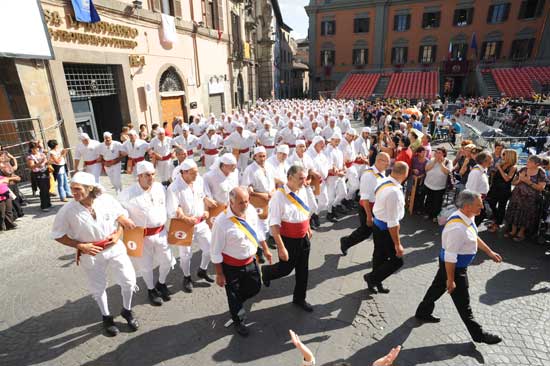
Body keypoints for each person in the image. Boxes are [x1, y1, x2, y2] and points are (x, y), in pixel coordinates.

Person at [51, 172, 139, 337]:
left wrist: (119, 232)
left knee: (129, 281)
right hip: (90, 254)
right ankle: (106, 317)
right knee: (98, 288)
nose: (73, 193)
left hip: (115, 247)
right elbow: (57, 235)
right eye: (71, 189)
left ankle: (127, 310)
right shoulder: (67, 211)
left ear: (90, 188)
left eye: (77, 189)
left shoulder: (106, 200)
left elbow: (119, 216)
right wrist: (80, 245)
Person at [415, 190, 503, 345]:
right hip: (454, 269)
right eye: (478, 205)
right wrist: (451, 279)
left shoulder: (468, 217)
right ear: (468, 206)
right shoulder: (456, 228)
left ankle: (422, 312)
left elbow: (473, 236)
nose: (481, 208)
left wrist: (489, 252)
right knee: (464, 304)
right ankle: (479, 334)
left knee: (436, 288)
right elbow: (450, 256)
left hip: (453, 267)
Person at [211, 187, 272, 337]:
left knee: (256, 287)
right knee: (233, 296)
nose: (245, 205)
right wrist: (219, 274)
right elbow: (215, 251)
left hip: (250, 261)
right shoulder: (221, 222)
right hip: (231, 267)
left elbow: (257, 231)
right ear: (231, 202)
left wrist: (265, 249)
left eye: (246, 201)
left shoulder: (250, 210)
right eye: (241, 203)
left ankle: (236, 302)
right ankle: (238, 320)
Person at [118, 161, 176, 306]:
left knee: (167, 261)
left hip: (161, 232)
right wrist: (124, 218)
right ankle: (151, 289)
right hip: (141, 235)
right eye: (147, 175)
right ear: (139, 176)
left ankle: (161, 283)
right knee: (146, 266)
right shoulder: (128, 193)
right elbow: (120, 210)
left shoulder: (160, 188)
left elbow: (170, 203)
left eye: (153, 174)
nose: (151, 178)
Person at [261, 165, 315, 312]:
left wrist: (308, 227)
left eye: (305, 178)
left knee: (303, 269)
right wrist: (281, 247)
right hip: (288, 239)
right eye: (301, 178)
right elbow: (274, 225)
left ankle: (299, 298)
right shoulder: (279, 196)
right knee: (285, 269)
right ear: (289, 178)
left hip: (303, 237)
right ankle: (266, 272)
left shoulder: (302, 190)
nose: (304, 182)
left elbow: (305, 211)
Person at [166, 159, 214, 293]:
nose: (196, 175)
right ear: (184, 172)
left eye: (197, 172)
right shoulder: (174, 188)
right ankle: (186, 277)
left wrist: (206, 210)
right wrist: (185, 218)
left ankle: (202, 270)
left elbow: (203, 197)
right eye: (193, 173)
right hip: (184, 226)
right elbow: (173, 210)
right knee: (186, 254)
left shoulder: (198, 180)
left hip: (201, 223)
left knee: (210, 248)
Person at [364, 162, 409, 294]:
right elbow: (392, 223)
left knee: (379, 256)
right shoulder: (394, 192)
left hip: (378, 225)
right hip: (385, 229)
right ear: (404, 174)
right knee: (397, 261)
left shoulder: (384, 180)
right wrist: (398, 244)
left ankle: (376, 282)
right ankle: (371, 278)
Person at [340, 153, 390, 257]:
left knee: (378, 233)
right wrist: (369, 216)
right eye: (386, 162)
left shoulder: (382, 171)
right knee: (365, 232)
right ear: (379, 161)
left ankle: (379, 256)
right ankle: (346, 242)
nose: (388, 164)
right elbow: (365, 198)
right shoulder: (368, 175)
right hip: (367, 208)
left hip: (378, 208)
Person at [505, 155, 547, 241]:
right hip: (517, 197)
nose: (527, 163)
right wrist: (520, 180)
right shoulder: (523, 169)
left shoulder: (541, 172)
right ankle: (513, 231)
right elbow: (513, 182)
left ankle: (521, 233)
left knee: (526, 215)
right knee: (515, 213)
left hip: (530, 199)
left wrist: (527, 181)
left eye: (530, 162)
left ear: (537, 164)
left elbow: (541, 188)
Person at [486, 149, 517, 233]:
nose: (502, 155)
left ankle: (497, 223)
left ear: (509, 156)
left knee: (501, 207)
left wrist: (499, 168)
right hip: (494, 187)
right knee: (490, 202)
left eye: (504, 154)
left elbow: (507, 179)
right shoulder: (502, 163)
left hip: (503, 190)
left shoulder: (513, 167)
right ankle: (497, 219)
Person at [421, 147, 453, 222]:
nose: (437, 154)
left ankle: (435, 215)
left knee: (437, 202)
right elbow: (426, 169)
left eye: (439, 153)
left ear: (444, 154)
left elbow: (447, 172)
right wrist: (434, 161)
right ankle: (427, 213)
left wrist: (441, 163)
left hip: (440, 186)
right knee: (428, 199)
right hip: (429, 184)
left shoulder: (448, 162)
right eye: (436, 152)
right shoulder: (432, 160)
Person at [465, 151, 493, 226]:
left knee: (481, 215)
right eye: (490, 159)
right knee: (476, 217)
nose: (492, 161)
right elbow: (471, 189)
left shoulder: (483, 169)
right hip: (475, 200)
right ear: (483, 161)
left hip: (481, 198)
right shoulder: (475, 173)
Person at [26, 141, 51, 212]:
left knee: (47, 187)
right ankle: (44, 205)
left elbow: (46, 162)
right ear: (31, 149)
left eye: (37, 148)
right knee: (43, 189)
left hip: (45, 171)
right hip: (38, 173)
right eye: (34, 148)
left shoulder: (41, 154)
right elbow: (31, 166)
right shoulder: (30, 157)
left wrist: (49, 161)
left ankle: (48, 203)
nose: (36, 149)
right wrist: (40, 162)